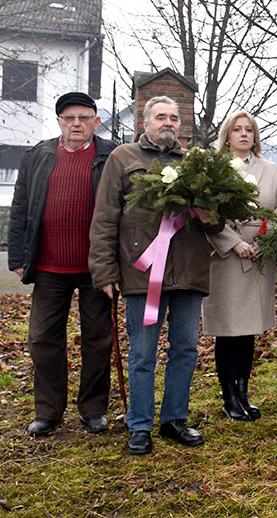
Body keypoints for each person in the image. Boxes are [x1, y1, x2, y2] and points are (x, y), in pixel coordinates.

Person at [89, 96, 222, 455]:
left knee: (186, 349)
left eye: (174, 118)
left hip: (189, 272)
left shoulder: (198, 164)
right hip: (143, 273)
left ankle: (175, 419)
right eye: (160, 117)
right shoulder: (123, 158)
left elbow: (216, 220)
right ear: (144, 122)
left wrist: (212, 214)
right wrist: (103, 271)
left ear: (182, 125)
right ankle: (140, 425)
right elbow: (104, 218)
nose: (168, 122)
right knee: (143, 353)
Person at [9, 92, 117, 437]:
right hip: (48, 266)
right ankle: (48, 410)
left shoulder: (110, 156)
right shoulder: (38, 156)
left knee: (98, 339)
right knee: (42, 338)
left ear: (96, 122)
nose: (76, 124)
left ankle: (93, 408)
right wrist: (16, 256)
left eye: (84, 118)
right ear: (58, 122)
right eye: (69, 118)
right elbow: (21, 206)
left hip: (96, 267)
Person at [203, 111, 277, 421]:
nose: (243, 134)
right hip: (225, 255)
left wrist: (266, 242)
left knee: (248, 329)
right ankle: (228, 397)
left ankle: (242, 391)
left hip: (258, 255)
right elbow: (206, 213)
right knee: (229, 329)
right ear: (227, 134)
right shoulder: (215, 168)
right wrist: (234, 242)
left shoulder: (270, 169)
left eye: (248, 129)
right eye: (236, 129)